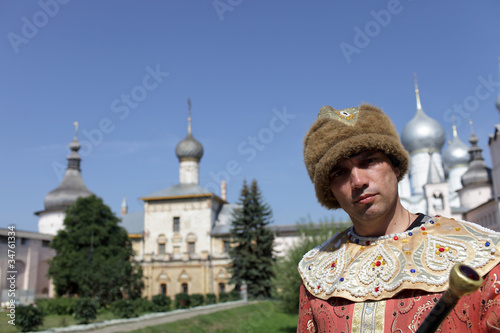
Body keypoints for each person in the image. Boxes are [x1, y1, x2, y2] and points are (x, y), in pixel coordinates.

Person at [297, 104, 500, 332]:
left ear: (395, 165)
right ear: (330, 190)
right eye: (339, 172)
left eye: (369, 161)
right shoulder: (316, 273)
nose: (358, 181)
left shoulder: (482, 256)